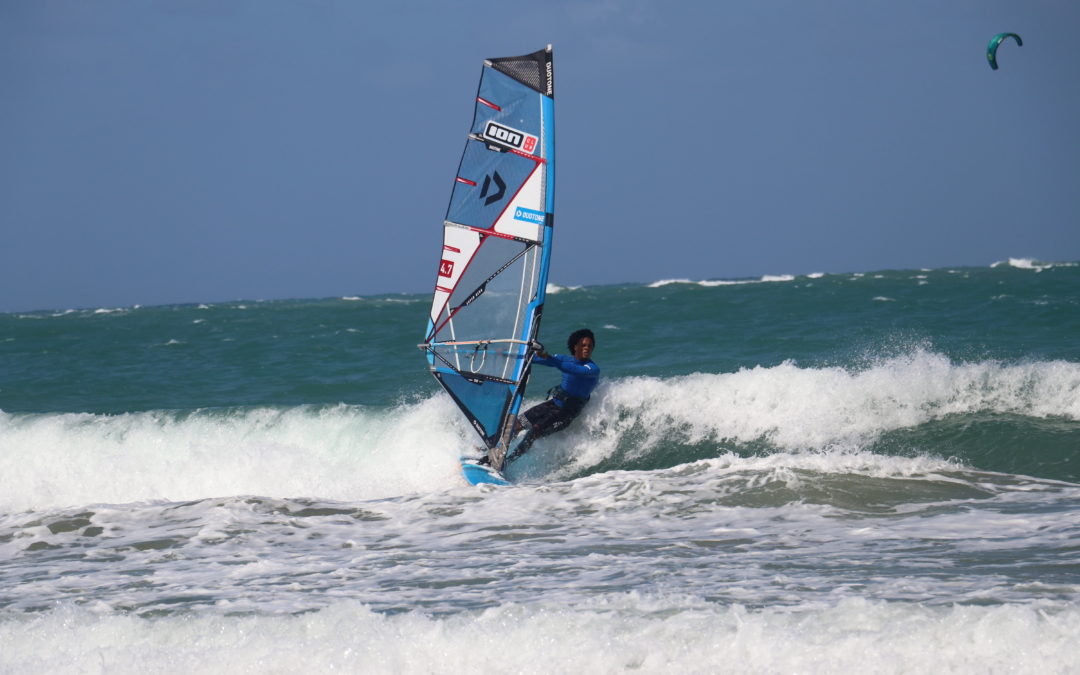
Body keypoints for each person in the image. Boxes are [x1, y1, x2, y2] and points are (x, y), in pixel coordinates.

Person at [483, 328, 600, 467]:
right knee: (517, 424)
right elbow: (534, 359)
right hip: (553, 404)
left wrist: (549, 357)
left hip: (566, 413)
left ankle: (506, 462)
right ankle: (487, 449)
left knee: (534, 431)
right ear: (575, 346)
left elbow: (573, 370)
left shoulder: (591, 369)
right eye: (583, 345)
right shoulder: (565, 359)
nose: (587, 348)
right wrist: (506, 354)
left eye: (590, 346)